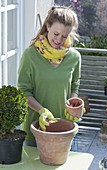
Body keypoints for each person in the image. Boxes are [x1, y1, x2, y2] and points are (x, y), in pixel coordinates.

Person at [18, 5, 83, 147]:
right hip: (35, 129)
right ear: (48, 26)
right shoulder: (30, 55)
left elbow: (74, 86)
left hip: (63, 130)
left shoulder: (74, 57)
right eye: (56, 33)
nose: (59, 40)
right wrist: (41, 110)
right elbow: (23, 91)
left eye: (64, 36)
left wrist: (73, 105)